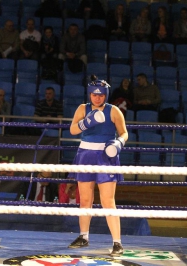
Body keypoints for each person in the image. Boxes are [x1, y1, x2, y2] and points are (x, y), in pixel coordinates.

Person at [68, 75, 128, 257]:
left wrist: (118, 144)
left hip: (105, 155)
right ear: (90, 94)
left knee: (108, 201)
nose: (97, 98)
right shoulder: (82, 109)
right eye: (94, 95)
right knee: (85, 200)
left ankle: (117, 243)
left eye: (101, 95)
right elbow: (72, 130)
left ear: (106, 95)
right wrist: (87, 122)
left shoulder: (114, 111)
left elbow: (124, 133)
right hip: (85, 154)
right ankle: (83, 236)